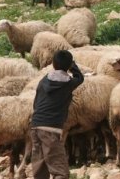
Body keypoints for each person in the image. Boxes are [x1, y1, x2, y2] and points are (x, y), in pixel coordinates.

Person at [30, 50, 84, 179]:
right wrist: (73, 67)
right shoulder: (68, 83)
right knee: (60, 170)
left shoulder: (44, 80)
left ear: (53, 64)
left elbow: (36, 102)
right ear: (69, 65)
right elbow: (80, 78)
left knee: (40, 165)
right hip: (51, 128)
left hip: (35, 125)